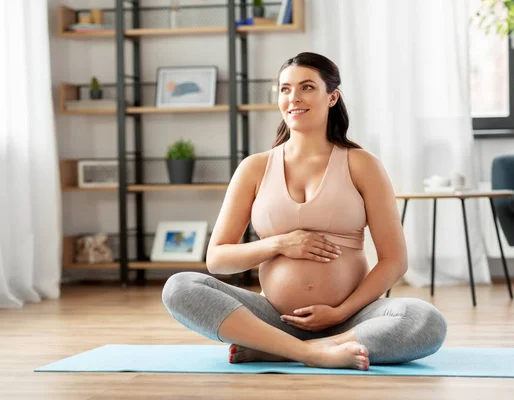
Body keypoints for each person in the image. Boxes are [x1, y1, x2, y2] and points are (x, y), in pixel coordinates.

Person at [162, 52, 447, 371]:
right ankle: (307, 352)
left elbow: (395, 260)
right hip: (271, 318)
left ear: (332, 97)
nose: (293, 98)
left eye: (307, 87)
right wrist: (279, 244)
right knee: (179, 287)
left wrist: (340, 313)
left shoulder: (362, 164)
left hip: (351, 321)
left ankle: (287, 350)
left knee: (426, 321)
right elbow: (217, 259)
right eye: (285, 89)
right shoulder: (254, 168)